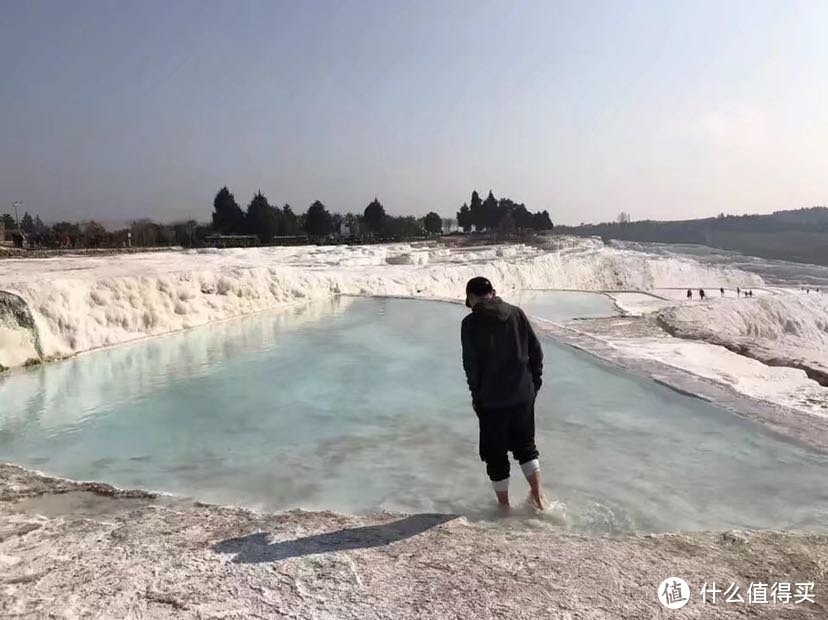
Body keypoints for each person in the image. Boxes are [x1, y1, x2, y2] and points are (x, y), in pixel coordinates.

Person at [461, 277, 544, 510]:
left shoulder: (470, 324)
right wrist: (533, 386)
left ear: (470, 298)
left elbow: (471, 366)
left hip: (492, 401)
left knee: (495, 455)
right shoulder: (516, 313)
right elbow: (536, 352)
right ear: (494, 292)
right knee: (526, 447)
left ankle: (504, 509)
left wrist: (477, 397)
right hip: (522, 396)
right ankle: (538, 499)